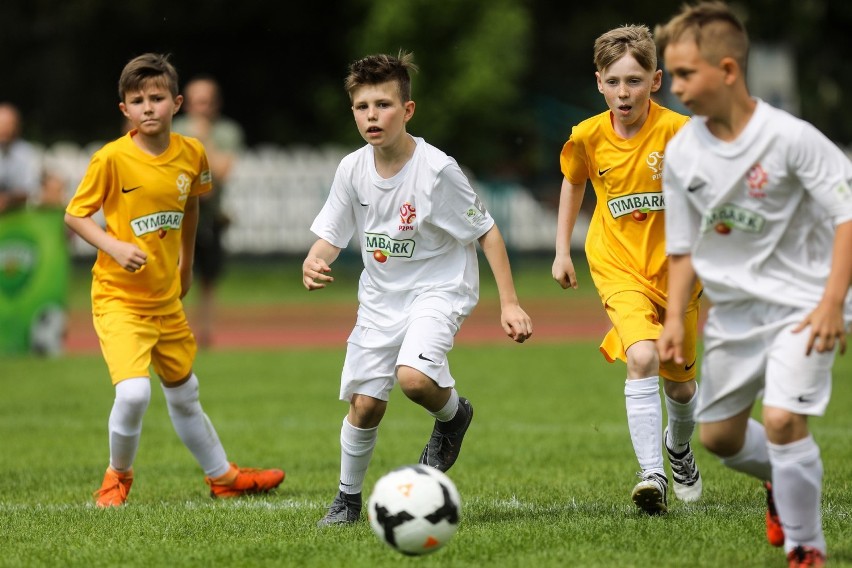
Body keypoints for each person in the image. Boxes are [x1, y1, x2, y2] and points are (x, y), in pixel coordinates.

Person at [655, 3, 852, 566]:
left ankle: (805, 547)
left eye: (687, 74)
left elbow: (846, 216)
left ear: (728, 70)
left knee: (786, 419)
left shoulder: (791, 138)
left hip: (806, 303)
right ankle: (779, 480)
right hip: (735, 313)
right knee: (719, 438)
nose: (678, 88)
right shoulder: (683, 151)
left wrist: (834, 302)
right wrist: (673, 320)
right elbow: (684, 247)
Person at [303, 51, 533, 527]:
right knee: (365, 406)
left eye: (384, 104)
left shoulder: (436, 170)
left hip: (439, 288)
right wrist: (314, 260)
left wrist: (509, 303)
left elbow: (487, 231)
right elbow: (332, 232)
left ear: (407, 110)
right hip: (380, 298)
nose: (373, 115)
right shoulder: (352, 168)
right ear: (353, 112)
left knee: (413, 379)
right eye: (363, 106)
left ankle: (452, 416)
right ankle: (346, 501)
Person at [64, 53, 284, 507]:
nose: (148, 107)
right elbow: (75, 215)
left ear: (176, 103)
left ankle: (223, 478)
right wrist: (113, 245)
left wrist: (185, 265)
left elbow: (192, 207)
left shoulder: (192, 153)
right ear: (124, 109)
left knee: (186, 395)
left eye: (157, 98)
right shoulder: (111, 159)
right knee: (134, 393)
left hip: (166, 301)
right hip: (119, 300)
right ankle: (117, 479)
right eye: (137, 100)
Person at [551, 24, 703, 516]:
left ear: (656, 81)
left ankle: (678, 450)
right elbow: (573, 184)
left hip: (678, 273)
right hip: (617, 268)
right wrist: (561, 250)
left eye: (634, 81)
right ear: (599, 82)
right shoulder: (587, 136)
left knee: (680, 384)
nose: (623, 92)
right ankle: (651, 474)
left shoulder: (680, 132)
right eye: (614, 81)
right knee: (641, 356)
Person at [172, 75, 245, 348]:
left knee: (208, 278)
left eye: (207, 101)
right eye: (196, 102)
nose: (201, 108)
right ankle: (176, 330)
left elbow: (221, 173)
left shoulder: (227, 132)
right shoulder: (173, 127)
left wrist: (202, 140)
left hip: (210, 216)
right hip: (177, 214)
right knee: (174, 273)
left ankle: (205, 332)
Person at [0, 102, 41, 213]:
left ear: (17, 127)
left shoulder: (28, 153)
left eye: (9, 124)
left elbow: (31, 189)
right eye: (2, 123)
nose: (5, 128)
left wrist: (8, 199)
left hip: (17, 216)